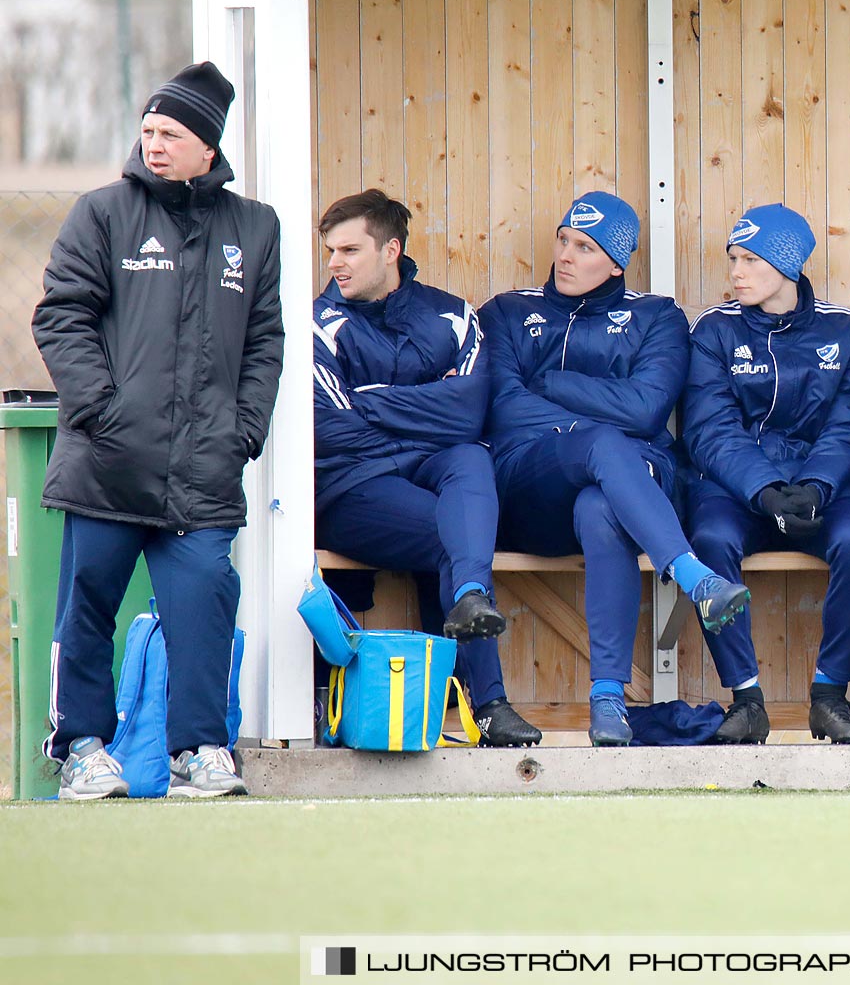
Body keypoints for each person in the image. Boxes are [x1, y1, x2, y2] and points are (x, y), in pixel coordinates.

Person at [32, 62, 280, 799]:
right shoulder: (102, 212)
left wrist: (243, 430)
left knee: (203, 602)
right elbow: (60, 316)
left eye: (170, 132)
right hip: (108, 462)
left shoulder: (255, 226)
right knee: (87, 609)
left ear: (209, 145)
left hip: (206, 469)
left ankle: (199, 750)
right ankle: (79, 745)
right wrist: (101, 410)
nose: (154, 144)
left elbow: (266, 339)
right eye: (147, 130)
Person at [481, 191, 745, 747]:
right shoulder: (506, 311)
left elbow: (648, 408)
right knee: (602, 441)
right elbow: (505, 407)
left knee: (600, 504)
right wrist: (597, 413)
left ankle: (607, 701)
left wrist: (550, 384)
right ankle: (695, 579)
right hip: (530, 483)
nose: (566, 256)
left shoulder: (657, 317)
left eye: (585, 247)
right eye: (563, 240)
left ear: (617, 262)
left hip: (630, 486)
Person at [310, 189, 542, 748]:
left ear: (391, 250)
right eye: (330, 252)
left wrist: (370, 399)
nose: (334, 263)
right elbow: (328, 427)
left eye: (349, 250)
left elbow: (467, 415)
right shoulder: (319, 323)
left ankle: (468, 595)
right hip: (351, 485)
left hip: (430, 463)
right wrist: (424, 407)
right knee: (453, 534)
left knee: (470, 455)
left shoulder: (452, 315)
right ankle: (487, 704)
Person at [683, 205, 850, 744]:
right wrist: (763, 489)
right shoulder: (714, 331)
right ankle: (746, 699)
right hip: (737, 487)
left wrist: (817, 485)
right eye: (732, 259)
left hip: (827, 486)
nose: (736, 273)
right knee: (710, 540)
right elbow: (709, 428)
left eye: (750, 259)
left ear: (787, 265)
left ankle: (829, 696)